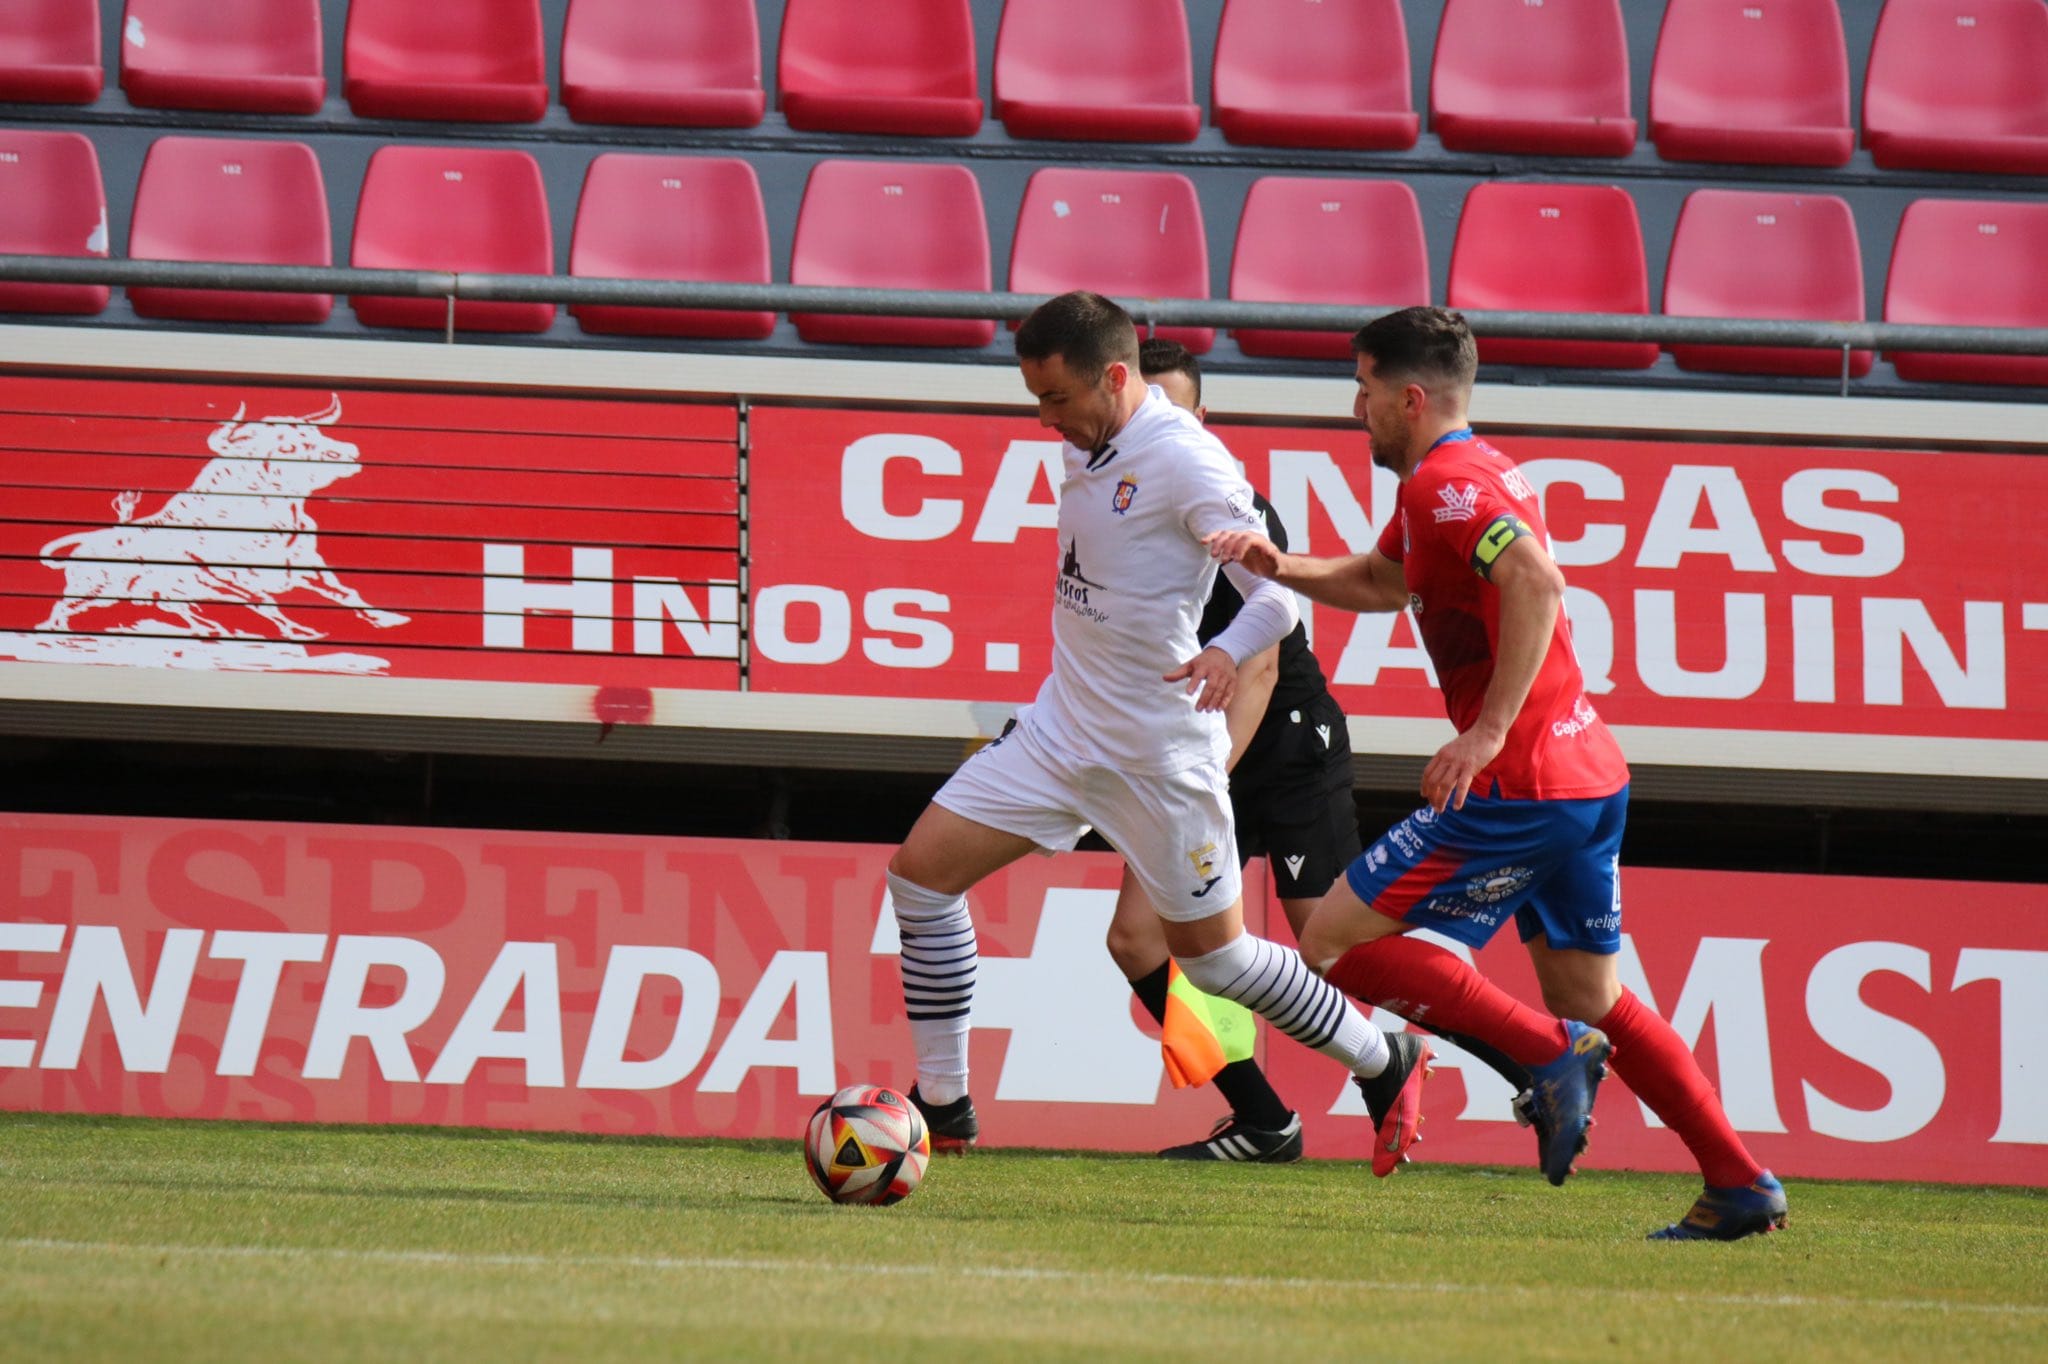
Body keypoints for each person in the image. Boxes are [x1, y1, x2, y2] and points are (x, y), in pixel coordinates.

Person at [1206, 306, 1789, 1241]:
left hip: (1519, 784)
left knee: (1332, 940)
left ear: (1408, 397)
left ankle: (1547, 1058)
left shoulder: (1447, 485)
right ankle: (1737, 1179)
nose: (1355, 409)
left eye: (1362, 389)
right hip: (1587, 775)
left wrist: (1483, 736)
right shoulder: (1458, 477)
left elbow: (1535, 582)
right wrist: (1285, 565)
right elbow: (1384, 582)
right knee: (1592, 995)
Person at [885, 292, 1429, 1176]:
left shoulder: (1187, 462)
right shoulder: (1093, 440)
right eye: (1035, 398)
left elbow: (1278, 599)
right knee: (919, 880)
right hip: (1063, 728)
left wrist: (1223, 648)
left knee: (1214, 964)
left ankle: (1384, 1060)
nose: (1043, 418)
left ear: (1113, 377)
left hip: (1156, 754)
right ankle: (943, 1105)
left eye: (1056, 398)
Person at [1118, 339, 1535, 1165]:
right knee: (1140, 940)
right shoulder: (1112, 509)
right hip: (1201, 751)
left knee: (1342, 952)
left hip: (1280, 748)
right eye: (1141, 410)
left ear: (1200, 423)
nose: (1151, 426)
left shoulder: (1229, 506)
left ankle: (1530, 1067)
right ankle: (1265, 1121)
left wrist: (1194, 785)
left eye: (1171, 411)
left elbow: (1262, 667)